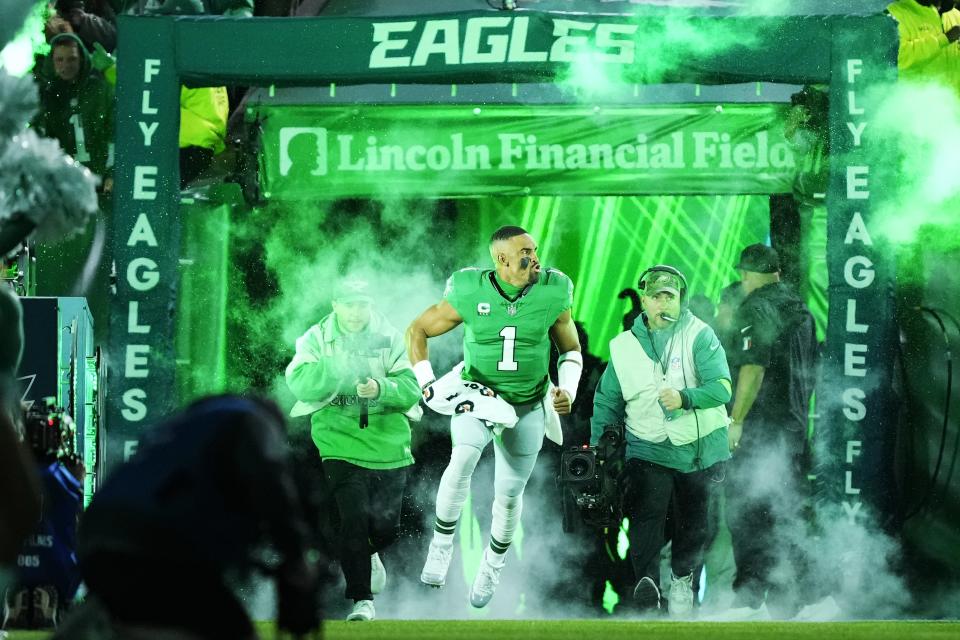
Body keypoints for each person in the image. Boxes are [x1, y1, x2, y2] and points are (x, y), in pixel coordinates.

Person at [407, 225, 581, 608]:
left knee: (508, 493)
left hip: (527, 403)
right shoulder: (470, 289)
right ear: (501, 259)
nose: (535, 258)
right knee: (463, 457)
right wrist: (426, 381)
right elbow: (417, 329)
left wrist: (567, 387)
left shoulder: (553, 290)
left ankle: (493, 564)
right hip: (478, 395)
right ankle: (441, 544)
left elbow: (570, 348)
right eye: (525, 253)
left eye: (535, 250)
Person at [58, 395, 322, 640]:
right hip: (154, 544)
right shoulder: (251, 419)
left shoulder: (185, 427)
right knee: (232, 629)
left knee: (142, 614)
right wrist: (296, 556)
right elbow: (270, 482)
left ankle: (97, 622)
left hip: (95, 537)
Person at [591, 265, 732, 618]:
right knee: (646, 513)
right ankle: (648, 584)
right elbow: (607, 401)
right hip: (648, 446)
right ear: (643, 300)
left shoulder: (701, 335)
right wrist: (597, 450)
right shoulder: (623, 346)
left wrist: (685, 398)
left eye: (669, 296)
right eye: (656, 296)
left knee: (694, 523)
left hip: (697, 450)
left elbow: (722, 388)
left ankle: (682, 582)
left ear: (680, 299)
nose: (662, 303)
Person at [285, 277, 421, 622]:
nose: (356, 312)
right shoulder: (316, 337)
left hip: (389, 445)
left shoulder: (391, 336)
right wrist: (336, 365)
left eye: (362, 304)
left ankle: (369, 552)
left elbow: (411, 388)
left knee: (386, 528)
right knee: (353, 520)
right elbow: (298, 380)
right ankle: (362, 601)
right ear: (335, 305)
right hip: (338, 442)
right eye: (348, 304)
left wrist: (380, 388)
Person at [726, 243, 818, 618]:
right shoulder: (804, 312)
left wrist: (736, 420)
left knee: (746, 512)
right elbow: (810, 375)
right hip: (793, 433)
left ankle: (748, 599)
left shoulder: (756, 308)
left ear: (747, 275)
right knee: (788, 514)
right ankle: (800, 601)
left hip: (761, 436)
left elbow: (753, 367)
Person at [2, 404, 83, 631]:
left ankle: (17, 598)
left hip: (11, 568)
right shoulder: (66, 479)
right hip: (57, 570)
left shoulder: (11, 476)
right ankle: (46, 601)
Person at [34, 33, 114, 193]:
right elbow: (41, 139)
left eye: (72, 59)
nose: (66, 65)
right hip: (63, 185)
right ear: (52, 61)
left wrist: (113, 172)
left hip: (100, 181)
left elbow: (115, 131)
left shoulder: (99, 89)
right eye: (59, 60)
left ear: (82, 59)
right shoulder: (47, 97)